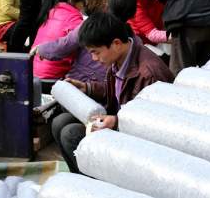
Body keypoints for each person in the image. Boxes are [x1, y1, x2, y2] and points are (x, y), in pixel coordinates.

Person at [52, 12, 173, 173]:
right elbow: (116, 90)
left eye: (96, 52)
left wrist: (116, 122)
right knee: (60, 121)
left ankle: (96, 186)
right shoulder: (119, 57)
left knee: (70, 134)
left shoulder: (149, 74)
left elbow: (155, 123)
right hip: (117, 121)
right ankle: (81, 176)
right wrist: (86, 88)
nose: (94, 58)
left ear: (116, 43)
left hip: (135, 140)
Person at [34, 0, 138, 87]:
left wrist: (41, 49)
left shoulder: (92, 24)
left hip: (80, 82)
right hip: (108, 87)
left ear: (108, 5)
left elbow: (64, 46)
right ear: (133, 13)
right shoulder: (133, 40)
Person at [31, 0, 87, 80]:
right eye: (83, 3)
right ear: (72, 0)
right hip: (53, 77)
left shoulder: (50, 13)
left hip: (34, 73)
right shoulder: (74, 19)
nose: (83, 7)